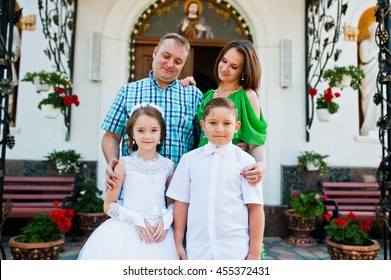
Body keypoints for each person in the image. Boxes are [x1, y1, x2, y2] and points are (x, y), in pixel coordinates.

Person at [102, 33, 203, 189]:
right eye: (166, 56)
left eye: (178, 61)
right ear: (155, 52)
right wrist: (112, 163)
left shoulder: (193, 95)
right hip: (134, 188)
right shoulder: (128, 91)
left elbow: (202, 142)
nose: (170, 64)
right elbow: (111, 136)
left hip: (179, 190)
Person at [167, 97, 264, 260]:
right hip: (198, 248)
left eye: (227, 123)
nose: (220, 129)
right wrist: (178, 243)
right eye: (213, 123)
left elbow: (255, 208)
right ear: (203, 125)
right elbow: (182, 203)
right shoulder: (189, 160)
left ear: (237, 127)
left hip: (235, 249)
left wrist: (254, 253)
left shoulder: (246, 161)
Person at [78, 104, 178, 260]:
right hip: (128, 230)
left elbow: (173, 203)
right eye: (140, 130)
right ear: (132, 133)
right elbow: (109, 205)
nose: (147, 136)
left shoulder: (169, 166)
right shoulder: (124, 164)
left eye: (153, 130)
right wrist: (136, 218)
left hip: (159, 233)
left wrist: (166, 220)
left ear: (161, 133)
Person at [183, 40, 267, 185]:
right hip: (200, 168)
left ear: (243, 71)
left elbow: (256, 142)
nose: (225, 68)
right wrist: (191, 89)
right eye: (224, 61)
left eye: (233, 66)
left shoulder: (246, 96)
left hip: (229, 170)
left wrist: (262, 164)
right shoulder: (207, 96)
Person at [359, 22, 380, 136]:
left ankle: (379, 125)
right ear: (371, 30)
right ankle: (368, 126)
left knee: (381, 101)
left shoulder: (383, 45)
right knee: (370, 101)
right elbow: (364, 57)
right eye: (375, 29)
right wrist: (378, 49)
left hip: (379, 76)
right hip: (369, 75)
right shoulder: (365, 43)